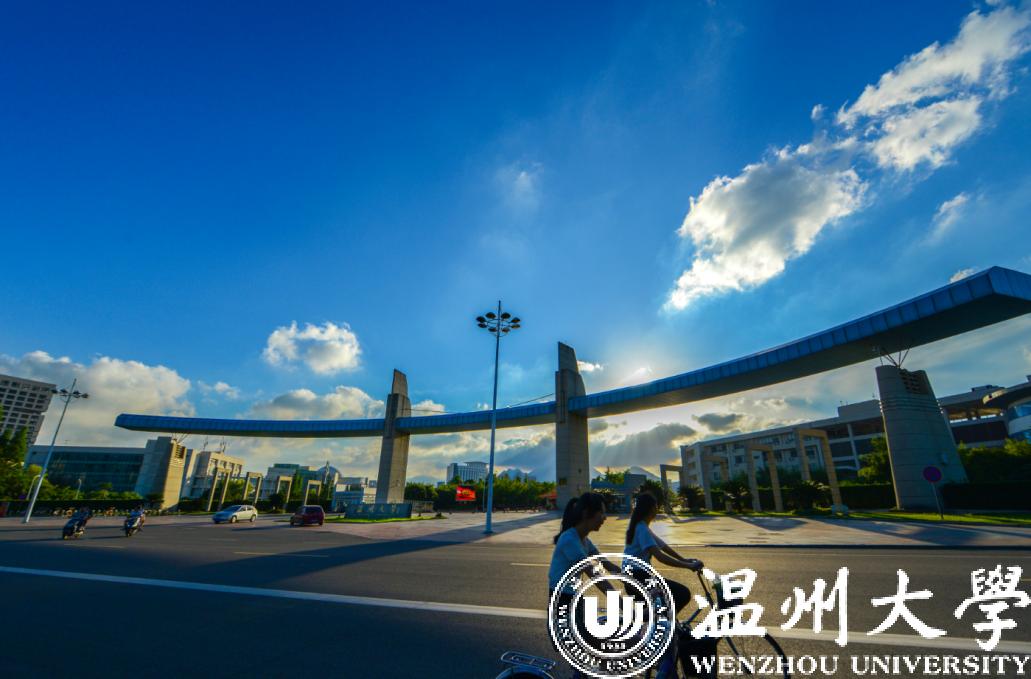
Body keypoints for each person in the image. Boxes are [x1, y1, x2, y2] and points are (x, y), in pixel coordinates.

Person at [547, 492, 620, 646]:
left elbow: (607, 565)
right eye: (602, 513)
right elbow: (594, 574)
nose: (605, 518)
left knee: (607, 645)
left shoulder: (584, 539)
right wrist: (620, 602)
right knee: (603, 646)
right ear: (587, 513)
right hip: (563, 605)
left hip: (575, 599)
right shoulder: (569, 539)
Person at [623, 492, 702, 616]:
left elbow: (663, 546)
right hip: (638, 577)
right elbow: (660, 556)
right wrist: (688, 566)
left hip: (635, 577)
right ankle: (665, 624)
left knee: (661, 605)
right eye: (656, 506)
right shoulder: (642, 529)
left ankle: (660, 624)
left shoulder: (640, 526)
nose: (657, 509)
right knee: (682, 593)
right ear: (650, 509)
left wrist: (684, 560)